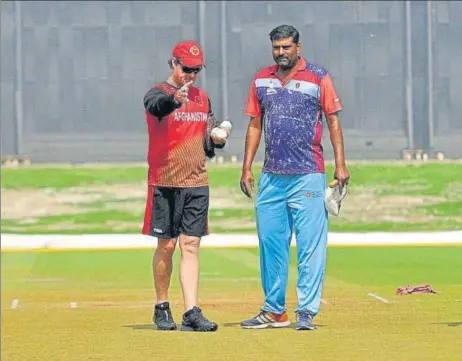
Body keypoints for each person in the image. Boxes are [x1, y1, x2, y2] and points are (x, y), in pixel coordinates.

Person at [239, 25, 350, 330]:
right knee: (271, 245)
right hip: (271, 178)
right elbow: (254, 125)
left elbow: (333, 121)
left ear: (298, 47)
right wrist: (246, 167)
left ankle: (306, 311)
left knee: (310, 246)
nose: (281, 53)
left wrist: (340, 166)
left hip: (308, 175)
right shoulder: (261, 79)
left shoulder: (318, 76)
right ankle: (274, 310)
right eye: (276, 47)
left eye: (286, 47)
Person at [142, 40, 227, 332]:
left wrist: (216, 138)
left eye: (196, 70)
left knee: (191, 245)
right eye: (186, 69)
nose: (191, 75)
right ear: (174, 64)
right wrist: (175, 99)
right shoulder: (158, 93)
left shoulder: (202, 98)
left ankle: (192, 311)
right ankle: (162, 306)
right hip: (164, 181)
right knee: (167, 246)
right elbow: (156, 107)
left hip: (196, 181)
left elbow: (206, 137)